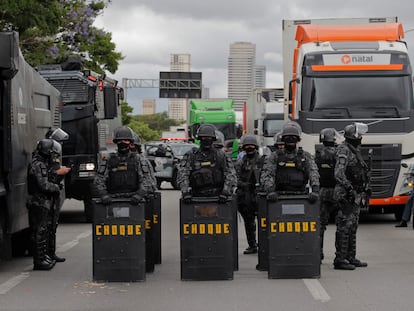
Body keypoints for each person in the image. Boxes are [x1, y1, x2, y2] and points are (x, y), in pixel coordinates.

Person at [333, 122, 370, 270]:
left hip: (355, 194)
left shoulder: (354, 150)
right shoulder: (344, 150)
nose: (361, 138)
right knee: (344, 227)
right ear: (353, 136)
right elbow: (338, 173)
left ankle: (351, 257)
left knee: (352, 226)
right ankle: (340, 259)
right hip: (346, 194)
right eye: (359, 135)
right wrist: (349, 188)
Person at [27, 139, 64, 270]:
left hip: (41, 201)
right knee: (40, 231)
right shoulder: (38, 165)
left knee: (44, 230)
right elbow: (43, 185)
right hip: (39, 201)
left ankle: (44, 257)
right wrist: (56, 187)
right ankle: (39, 260)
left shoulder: (41, 163)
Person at [260, 122, 320, 203]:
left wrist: (315, 189)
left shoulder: (305, 156)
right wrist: (270, 190)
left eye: (293, 138)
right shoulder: (275, 156)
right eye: (288, 138)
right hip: (278, 197)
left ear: (298, 140)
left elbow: (313, 172)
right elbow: (268, 174)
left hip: (301, 196)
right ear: (283, 139)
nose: (291, 140)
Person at [177, 123, 236, 203]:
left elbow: (230, 174)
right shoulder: (191, 155)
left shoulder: (221, 155)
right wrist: (185, 191)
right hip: (196, 197)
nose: (206, 139)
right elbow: (183, 174)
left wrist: (226, 191)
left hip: (218, 197)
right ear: (200, 139)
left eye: (209, 138)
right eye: (204, 138)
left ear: (213, 139)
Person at [94, 126, 151, 207]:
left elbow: (146, 179)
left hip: (133, 200)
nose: (122, 142)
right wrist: (104, 195)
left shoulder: (138, 159)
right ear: (116, 142)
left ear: (130, 142)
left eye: (125, 140)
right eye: (120, 140)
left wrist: (139, 194)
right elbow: (99, 179)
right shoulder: (108, 159)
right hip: (112, 200)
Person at [45, 128, 71, 263]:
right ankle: (46, 254)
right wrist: (61, 171)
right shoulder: (43, 159)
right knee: (47, 227)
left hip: (53, 193)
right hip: (47, 195)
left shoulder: (52, 156)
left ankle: (51, 253)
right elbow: (50, 175)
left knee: (53, 226)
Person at [235, 134, 264, 254]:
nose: (250, 148)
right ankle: (252, 245)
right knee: (249, 222)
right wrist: (242, 185)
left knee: (264, 222)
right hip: (245, 195)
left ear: (256, 147)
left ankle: (264, 245)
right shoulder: (241, 162)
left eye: (252, 146)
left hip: (259, 194)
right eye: (247, 147)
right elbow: (234, 178)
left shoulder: (263, 161)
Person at [314, 128, 338, 261]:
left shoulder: (318, 153)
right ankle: (341, 255)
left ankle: (318, 253)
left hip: (322, 191)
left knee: (320, 224)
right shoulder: (338, 153)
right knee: (342, 223)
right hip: (336, 191)